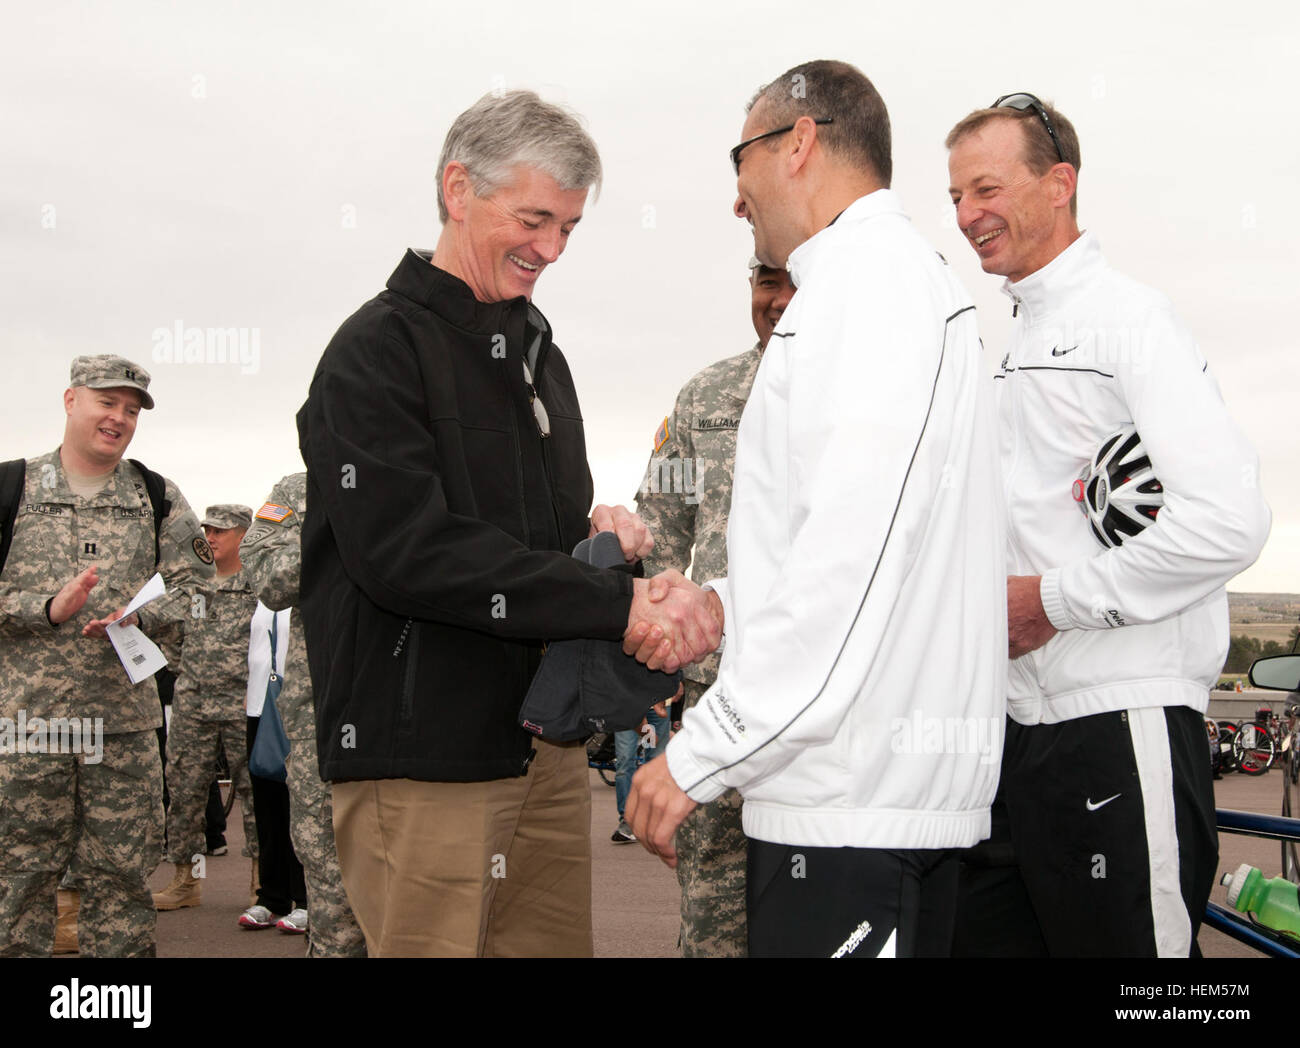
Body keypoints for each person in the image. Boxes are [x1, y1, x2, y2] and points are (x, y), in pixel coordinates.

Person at [295, 89, 718, 958]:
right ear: (458, 188)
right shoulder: (375, 351)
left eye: (568, 228)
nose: (551, 249)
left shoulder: (541, 361)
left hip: (548, 754)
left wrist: (611, 555)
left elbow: (534, 562)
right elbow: (406, 554)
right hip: (425, 766)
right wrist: (617, 606)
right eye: (534, 219)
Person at [623, 60, 1006, 958]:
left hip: (857, 812)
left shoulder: (871, 288)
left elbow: (849, 562)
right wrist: (721, 603)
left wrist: (701, 751)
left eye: (739, 160)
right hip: (846, 799)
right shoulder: (859, 285)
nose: (737, 199)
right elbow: (837, 545)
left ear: (798, 143)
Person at [945, 94, 1271, 956]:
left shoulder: (1132, 320)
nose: (968, 215)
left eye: (985, 188)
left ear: (1060, 184)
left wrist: (1049, 602)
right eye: (954, 198)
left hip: (1121, 729)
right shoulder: (1007, 339)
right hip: (1014, 744)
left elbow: (1230, 523)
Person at [0, 354, 213, 957]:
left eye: (130, 409)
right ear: (71, 401)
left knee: (121, 879)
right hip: (27, 726)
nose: (118, 418)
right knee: (17, 880)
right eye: (106, 402)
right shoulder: (10, 486)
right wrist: (43, 608)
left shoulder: (156, 496)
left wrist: (143, 617)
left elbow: (200, 592)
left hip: (121, 728)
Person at [632, 257, 795, 954]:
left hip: (824, 696)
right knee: (715, 909)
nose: (780, 301)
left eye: (797, 283)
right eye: (767, 283)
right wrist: (674, 630)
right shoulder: (706, 397)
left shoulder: (864, 386)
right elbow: (662, 522)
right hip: (717, 692)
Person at [239, 472, 366, 954]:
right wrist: (345, 523)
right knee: (330, 878)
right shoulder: (301, 490)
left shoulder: (434, 472)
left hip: (421, 720)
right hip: (324, 717)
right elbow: (268, 578)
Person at [153, 505, 260, 913]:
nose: (211, 538)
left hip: (242, 704)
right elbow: (171, 636)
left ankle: (261, 882)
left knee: (253, 794)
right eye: (208, 530)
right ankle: (187, 880)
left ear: (243, 535)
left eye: (220, 531)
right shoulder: (191, 583)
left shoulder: (258, 585)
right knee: (184, 792)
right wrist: (190, 673)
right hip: (193, 703)